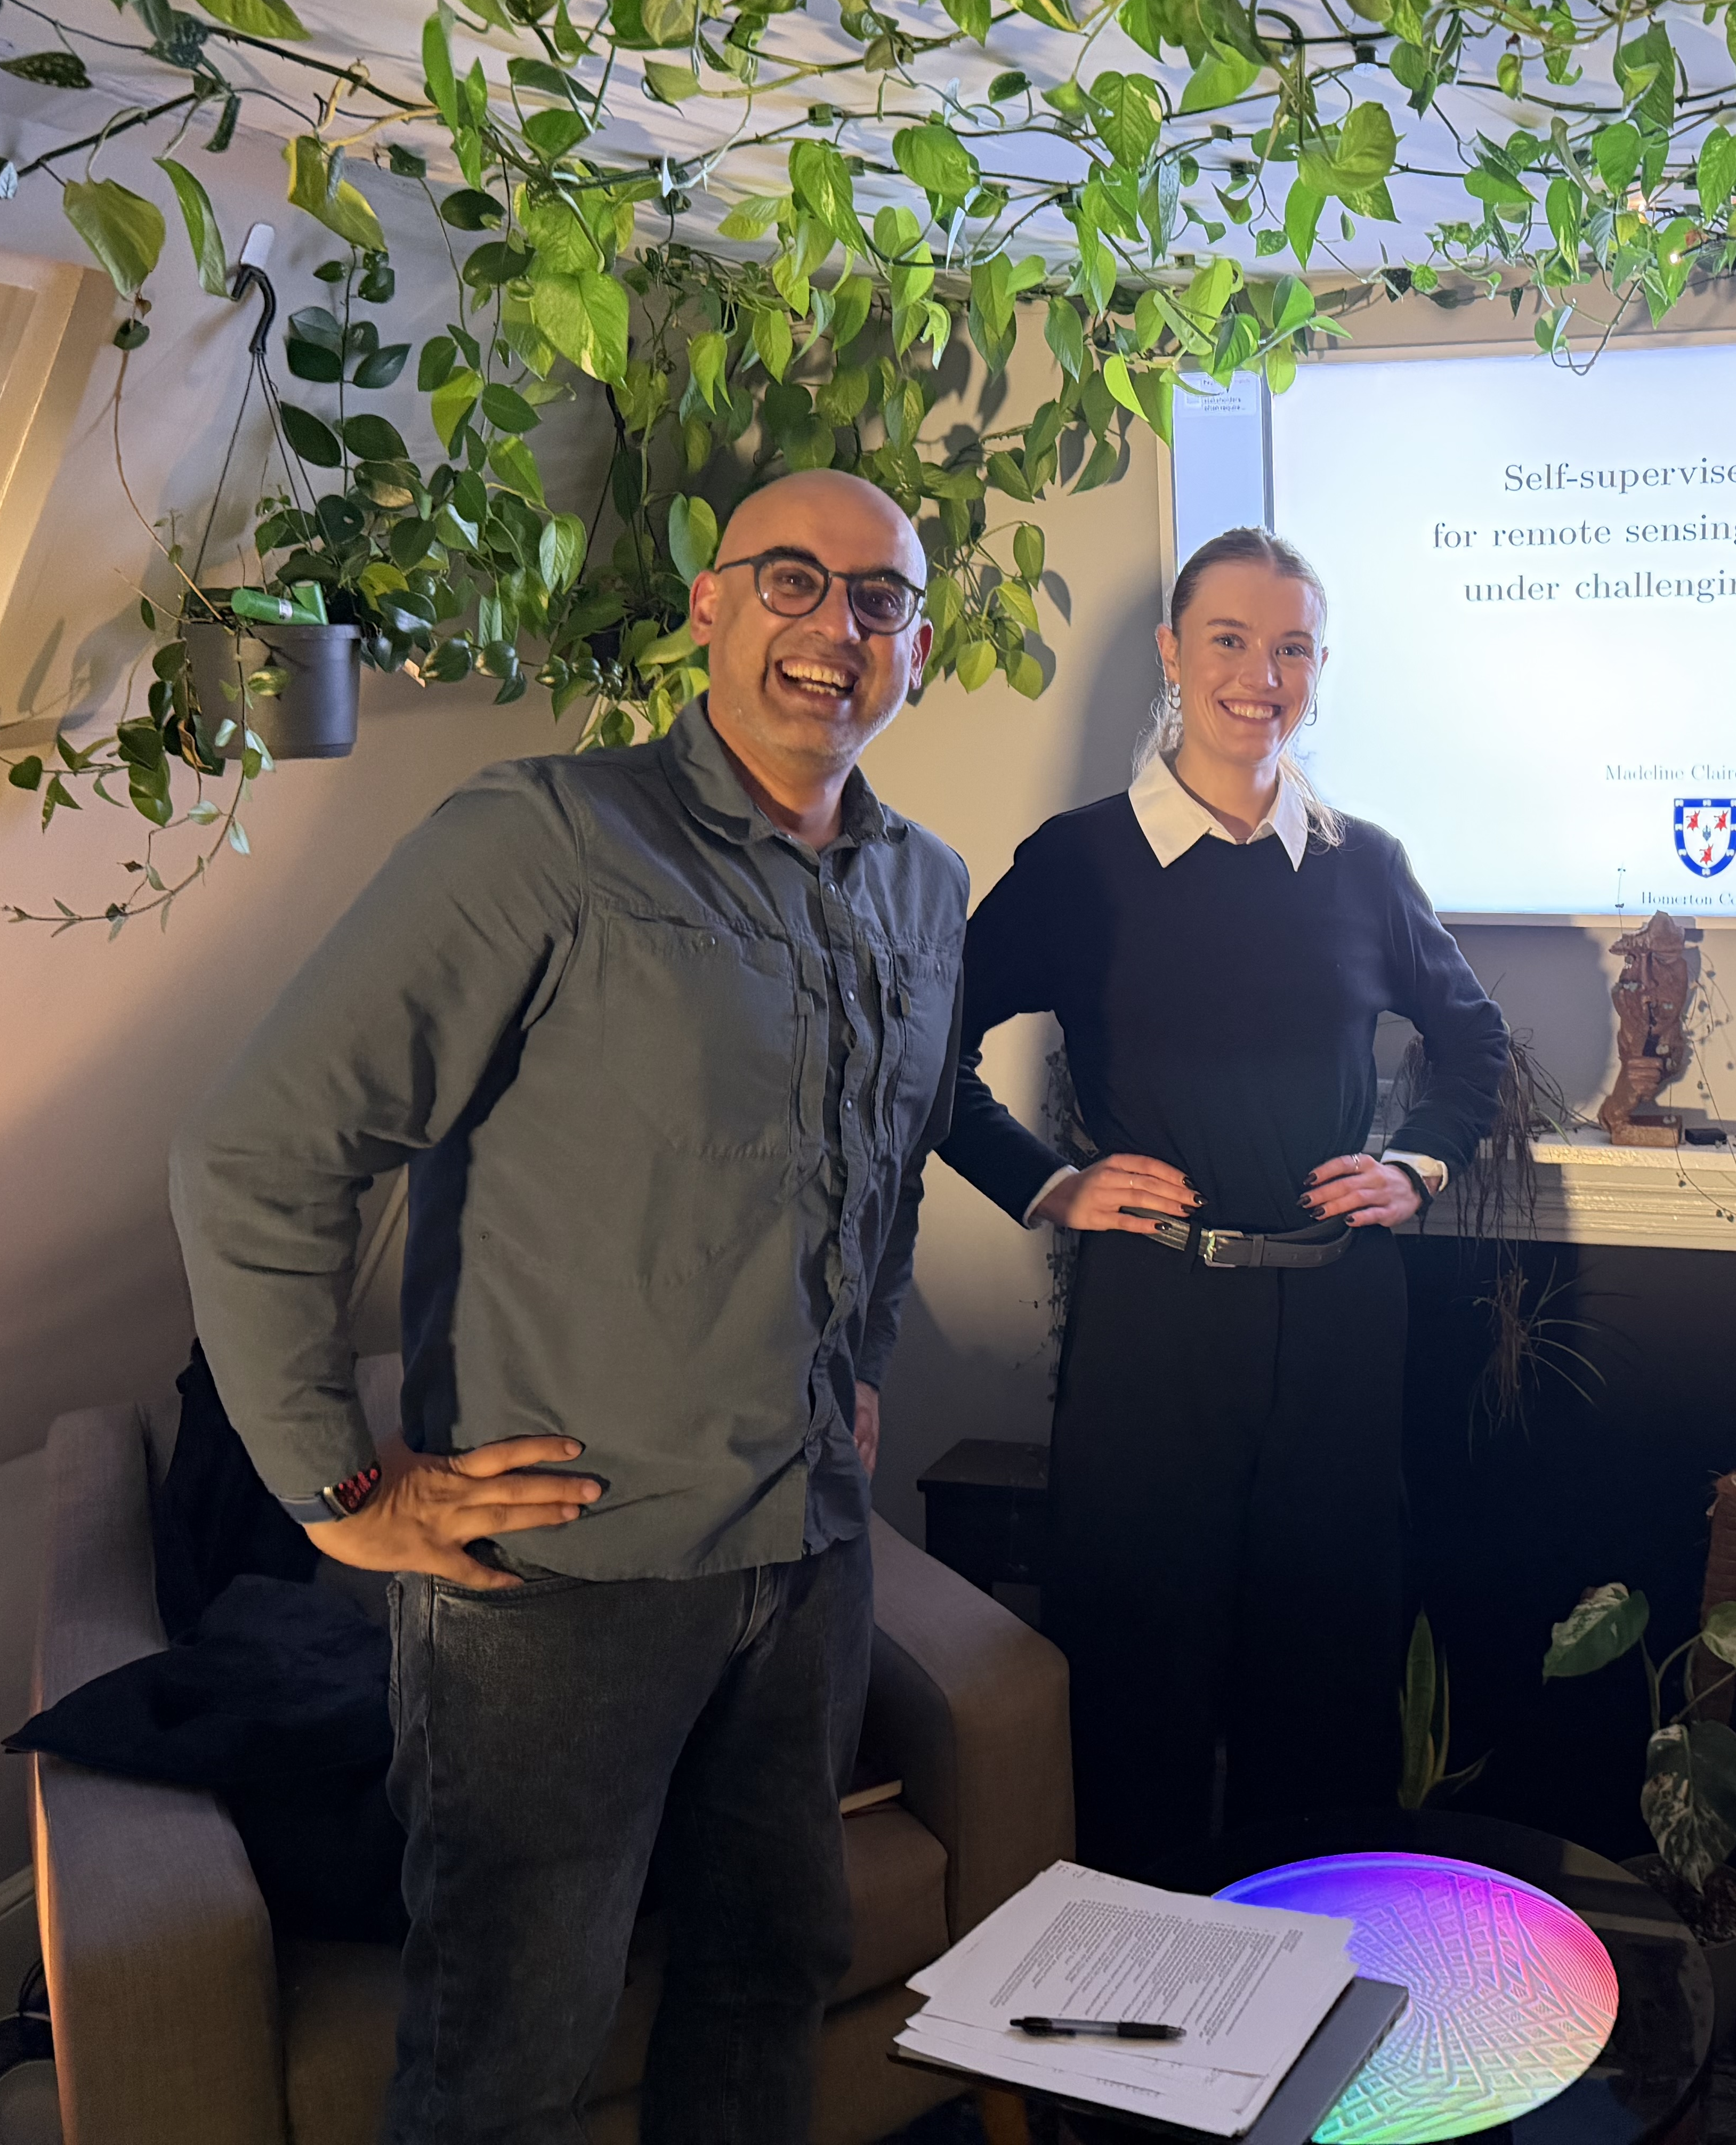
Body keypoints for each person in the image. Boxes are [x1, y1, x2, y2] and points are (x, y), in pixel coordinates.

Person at [171, 470, 967, 2145]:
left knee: (770, 1971)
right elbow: (258, 1149)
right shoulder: (541, 838)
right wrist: (341, 1489)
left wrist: (865, 1363)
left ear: (913, 645)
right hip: (562, 1583)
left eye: (880, 601)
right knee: (510, 2045)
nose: (836, 630)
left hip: (806, 1556)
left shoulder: (922, 885)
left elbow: (884, 1158)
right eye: (794, 581)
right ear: (707, 602)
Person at [936, 526, 1509, 1867]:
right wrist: (1049, 1185)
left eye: (1294, 647)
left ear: (1320, 668)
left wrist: (1415, 1165)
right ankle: (1134, 2046)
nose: (1264, 675)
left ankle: (1308, 2026)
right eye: (1232, 642)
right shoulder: (1081, 863)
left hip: (1340, 1327)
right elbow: (922, 1052)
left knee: (1328, 1695)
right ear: (1174, 658)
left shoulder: (1362, 862)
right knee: (1134, 1693)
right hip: (1155, 1327)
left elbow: (1473, 1044)